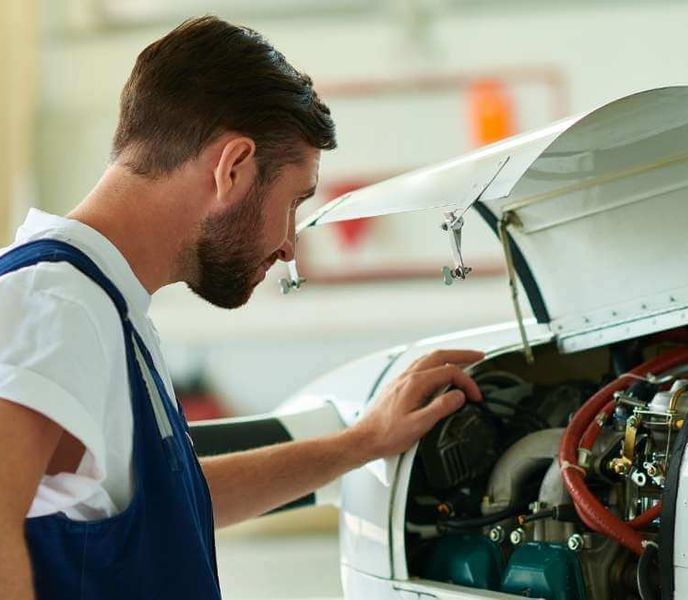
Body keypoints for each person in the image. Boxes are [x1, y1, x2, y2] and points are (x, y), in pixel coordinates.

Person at [0, 16, 483, 599]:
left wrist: (363, 442)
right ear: (233, 168)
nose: (289, 244)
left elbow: (170, 508)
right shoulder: (55, 303)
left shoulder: (103, 306)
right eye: (293, 202)